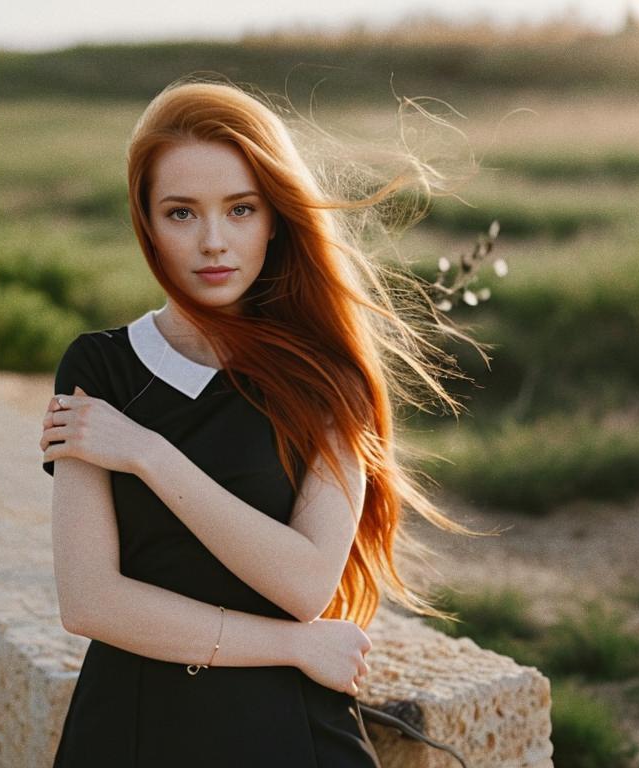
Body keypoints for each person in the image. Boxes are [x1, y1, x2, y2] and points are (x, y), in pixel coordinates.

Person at [39, 77, 485, 767]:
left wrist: (150, 454)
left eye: (240, 210)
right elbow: (90, 602)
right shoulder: (99, 369)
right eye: (181, 213)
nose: (213, 242)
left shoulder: (328, 380)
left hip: (286, 732)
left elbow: (305, 584)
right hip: (133, 727)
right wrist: (292, 645)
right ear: (146, 222)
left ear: (274, 217)